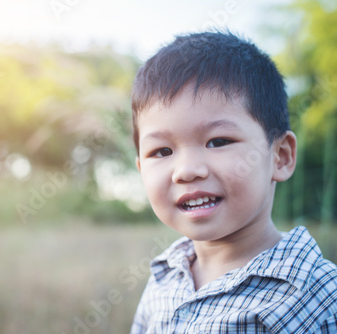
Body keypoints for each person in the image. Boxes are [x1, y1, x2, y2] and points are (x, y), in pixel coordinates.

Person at [130, 31, 337, 333]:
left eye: (218, 141)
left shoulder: (318, 296)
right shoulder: (164, 278)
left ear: (280, 156)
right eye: (162, 151)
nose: (186, 171)